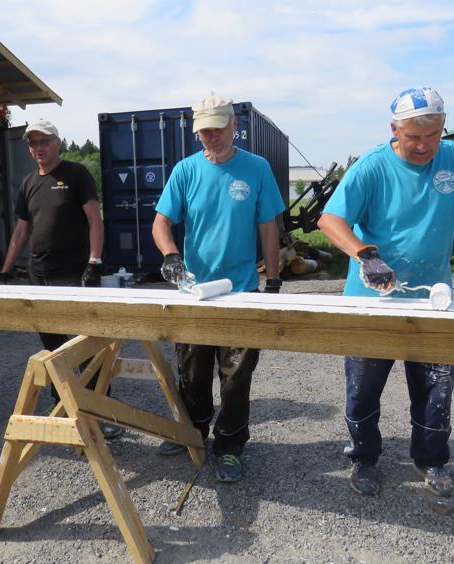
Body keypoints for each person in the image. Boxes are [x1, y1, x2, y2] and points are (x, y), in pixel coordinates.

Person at [318, 87, 454, 497]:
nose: (423, 145)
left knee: (436, 388)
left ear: (442, 127)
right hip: (372, 301)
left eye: (433, 135)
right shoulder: (372, 167)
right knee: (362, 390)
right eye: (413, 137)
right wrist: (364, 255)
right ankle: (364, 457)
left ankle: (431, 460)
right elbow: (330, 220)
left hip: (434, 299)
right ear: (394, 129)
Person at [151, 94, 286, 482]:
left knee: (236, 377)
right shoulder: (186, 171)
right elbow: (161, 223)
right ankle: (192, 433)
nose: (210, 137)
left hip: (240, 290)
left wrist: (273, 281)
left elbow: (268, 229)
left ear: (233, 126)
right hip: (195, 291)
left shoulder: (256, 168)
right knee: (192, 374)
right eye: (204, 131)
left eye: (217, 129)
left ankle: (229, 445)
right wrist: (171, 255)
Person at [0, 119, 122, 439]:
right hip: (39, 275)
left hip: (73, 273)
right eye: (33, 143)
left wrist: (95, 261)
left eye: (44, 142)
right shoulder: (28, 183)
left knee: (86, 344)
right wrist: (6, 269)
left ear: (57, 143)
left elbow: (95, 219)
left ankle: (100, 412)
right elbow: (21, 230)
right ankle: (64, 405)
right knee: (53, 347)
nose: (38, 148)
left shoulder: (76, 174)